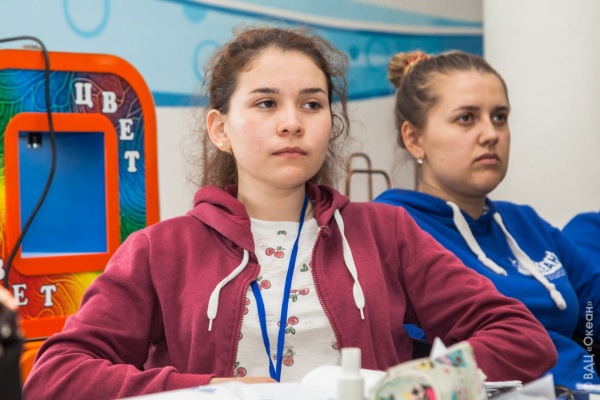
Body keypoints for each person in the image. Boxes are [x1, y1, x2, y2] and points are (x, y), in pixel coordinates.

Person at [24, 27, 555, 399]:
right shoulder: (160, 249)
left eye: (311, 104)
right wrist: (213, 390)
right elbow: (56, 376)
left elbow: (521, 336)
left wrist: (411, 385)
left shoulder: (385, 232)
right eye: (265, 103)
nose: (292, 123)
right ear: (220, 129)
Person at [373, 50, 600, 389]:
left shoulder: (525, 223)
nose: (491, 134)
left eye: (499, 117)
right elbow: (412, 361)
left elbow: (593, 308)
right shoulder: (390, 227)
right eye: (466, 118)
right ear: (414, 139)